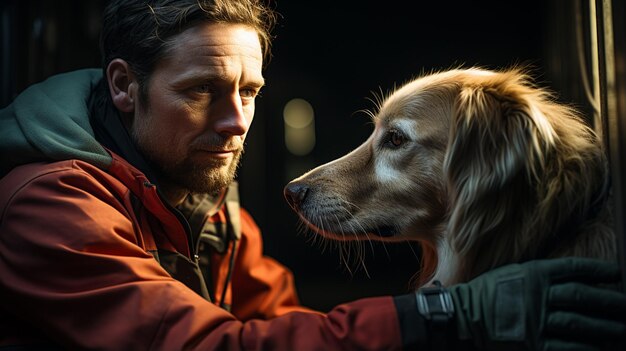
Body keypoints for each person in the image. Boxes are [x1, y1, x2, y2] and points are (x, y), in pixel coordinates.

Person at [0, 0, 624, 350]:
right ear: (123, 87)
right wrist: (442, 317)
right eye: (201, 92)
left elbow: (280, 325)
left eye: (249, 92)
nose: (236, 122)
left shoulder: (209, 209)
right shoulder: (47, 208)